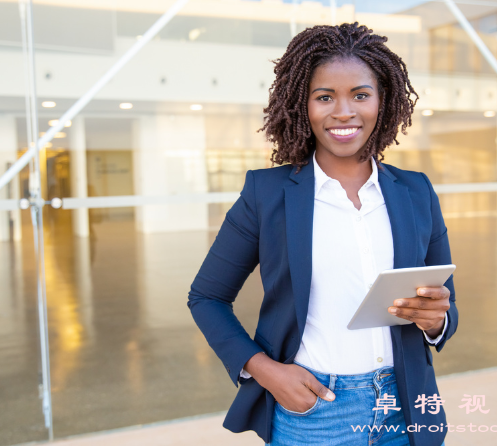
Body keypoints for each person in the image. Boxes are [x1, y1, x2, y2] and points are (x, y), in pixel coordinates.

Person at [188, 22, 457, 446]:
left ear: (382, 102)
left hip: (405, 407)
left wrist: (437, 320)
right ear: (302, 105)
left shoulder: (416, 190)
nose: (344, 111)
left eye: (361, 95)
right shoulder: (267, 194)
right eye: (325, 97)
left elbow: (444, 304)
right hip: (314, 410)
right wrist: (266, 371)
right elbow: (206, 297)